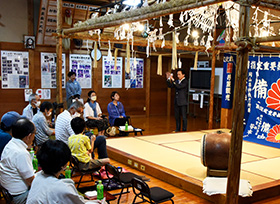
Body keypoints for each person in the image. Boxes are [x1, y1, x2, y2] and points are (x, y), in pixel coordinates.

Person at [0, 118, 35, 204]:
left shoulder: (10, 144)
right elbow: (31, 181)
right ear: (29, 136)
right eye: (35, 134)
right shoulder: (21, 153)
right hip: (20, 196)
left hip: (9, 191)